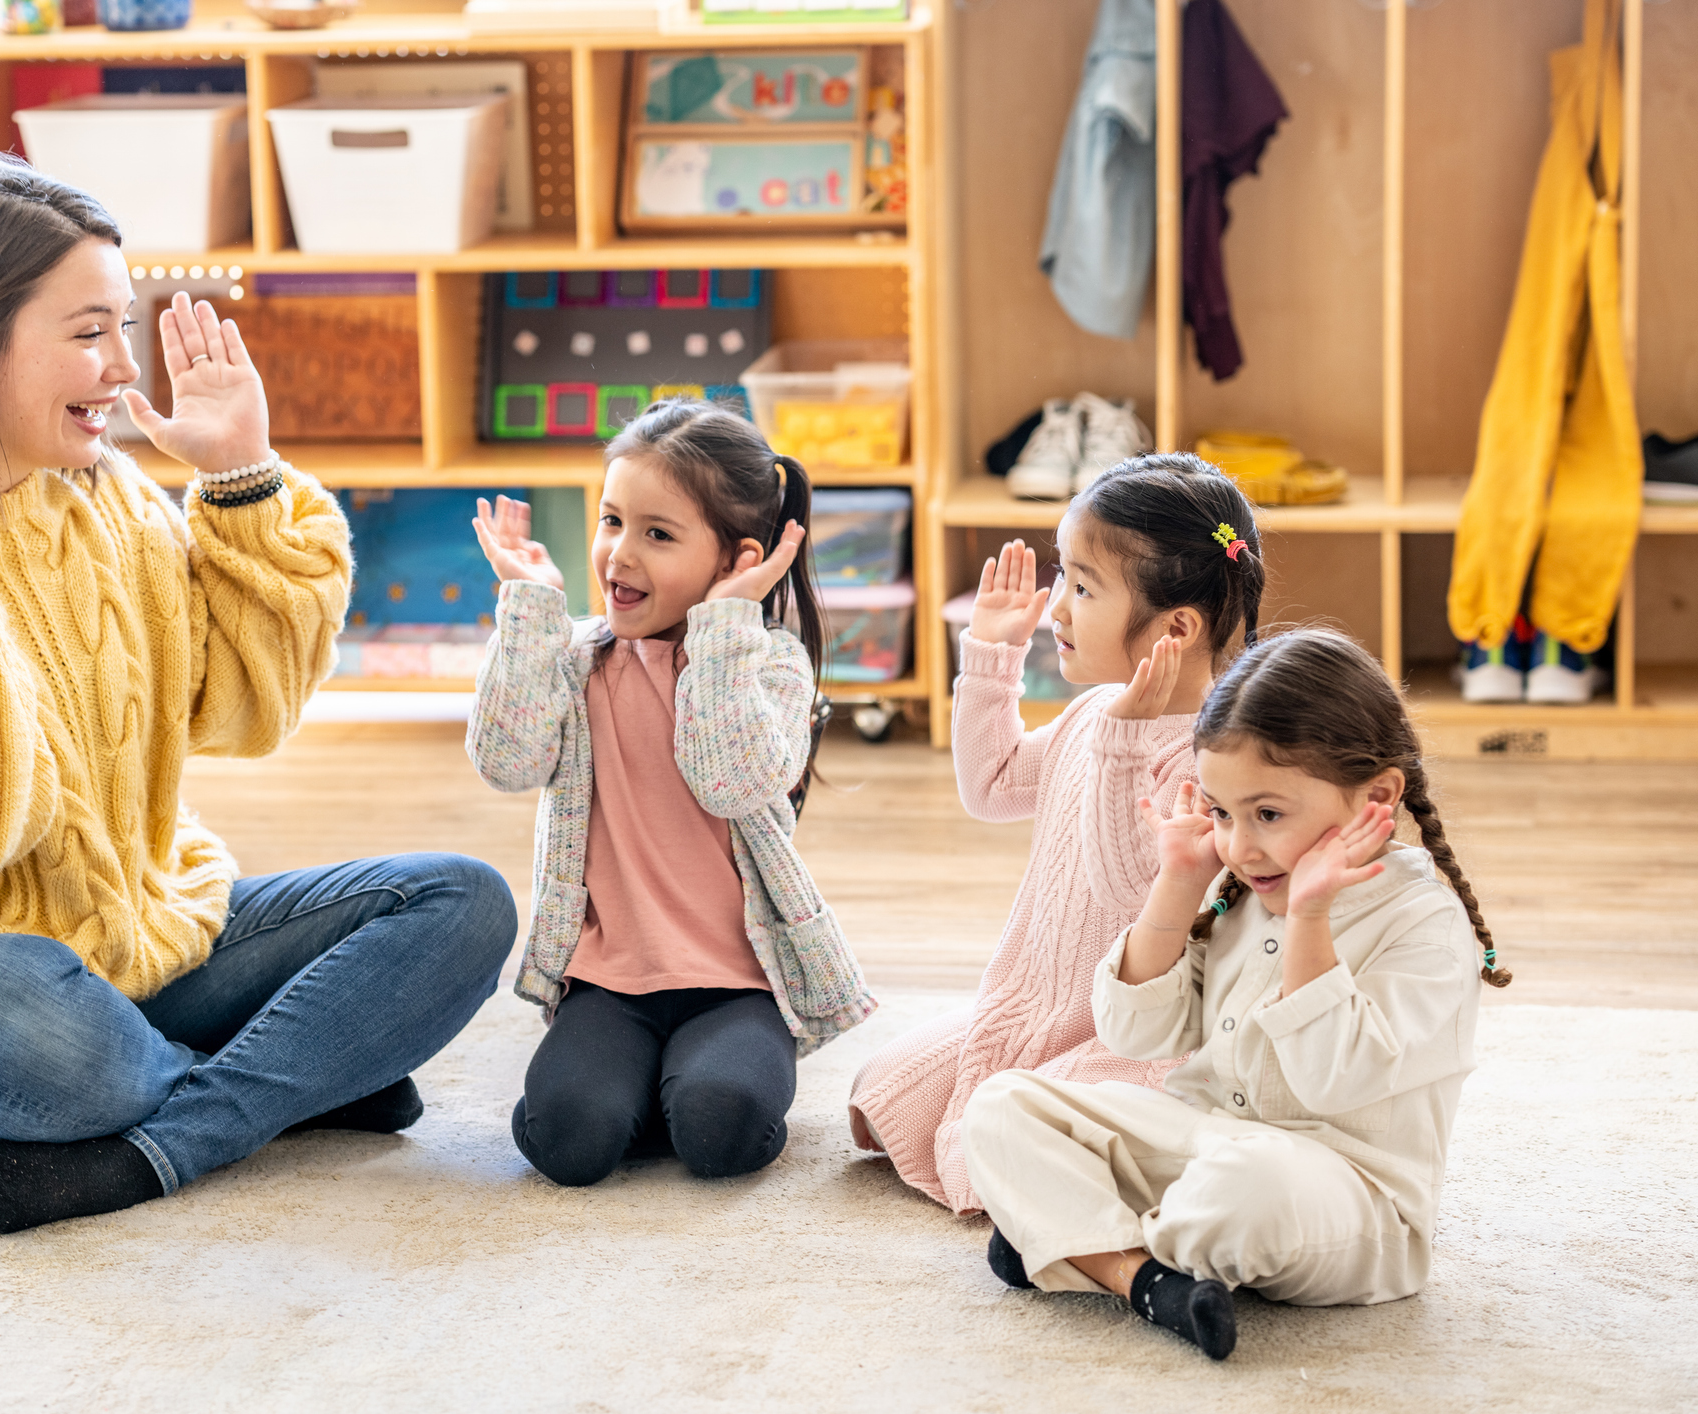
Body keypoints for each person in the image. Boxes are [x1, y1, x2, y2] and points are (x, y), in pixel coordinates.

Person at [0, 155, 515, 1235]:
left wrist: (241, 474)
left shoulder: (107, 504)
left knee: (458, 902)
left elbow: (247, 711)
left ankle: (171, 1132)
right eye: (90, 330)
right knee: (37, 1018)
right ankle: (293, 1081)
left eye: (125, 325)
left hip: (141, 943)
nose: (122, 365)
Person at [968, 629, 1511, 1360]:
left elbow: (1331, 1079)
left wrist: (1310, 920)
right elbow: (1137, 1035)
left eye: (1267, 815)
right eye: (1222, 814)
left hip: (1343, 1190)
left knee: (1245, 1186)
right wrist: (1178, 884)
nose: (1240, 847)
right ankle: (1139, 1277)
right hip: (1203, 1140)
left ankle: (1074, 1243)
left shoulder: (1424, 925)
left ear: (1376, 797)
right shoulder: (1244, 889)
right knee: (1004, 1105)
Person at [465, 398, 874, 1187]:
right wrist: (529, 611)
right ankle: (640, 1087)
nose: (618, 553)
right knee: (568, 1143)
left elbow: (732, 782)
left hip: (737, 983)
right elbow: (505, 762)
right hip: (607, 982)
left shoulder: (769, 666)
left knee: (720, 1134)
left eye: (657, 535)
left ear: (733, 560)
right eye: (611, 520)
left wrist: (725, 624)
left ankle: (681, 1087)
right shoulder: (577, 658)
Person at [848, 454, 1265, 1214]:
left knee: (1000, 1135)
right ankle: (1029, 1092)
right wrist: (992, 655)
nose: (1057, 611)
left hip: (1137, 1030)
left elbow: (1137, 894)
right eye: (1061, 579)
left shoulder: (1214, 759)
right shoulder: (1092, 713)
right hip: (1040, 1000)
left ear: (1175, 627)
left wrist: (1125, 743)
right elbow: (992, 786)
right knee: (879, 1096)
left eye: (1082, 588)